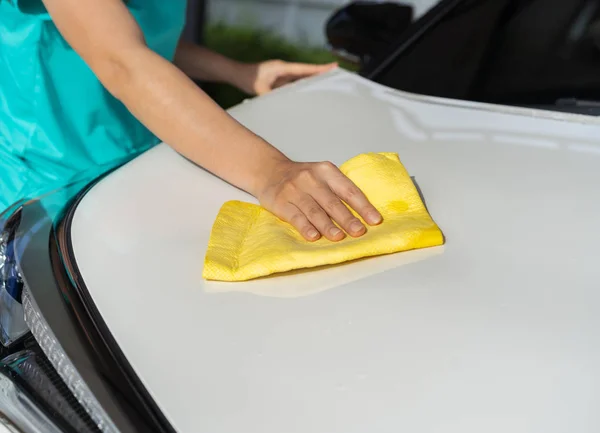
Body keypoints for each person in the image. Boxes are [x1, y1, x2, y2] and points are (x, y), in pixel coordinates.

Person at [0, 0, 382, 241]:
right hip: (47, 189)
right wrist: (272, 172)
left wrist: (240, 73)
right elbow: (123, 61)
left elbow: (138, 34)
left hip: (139, 159)